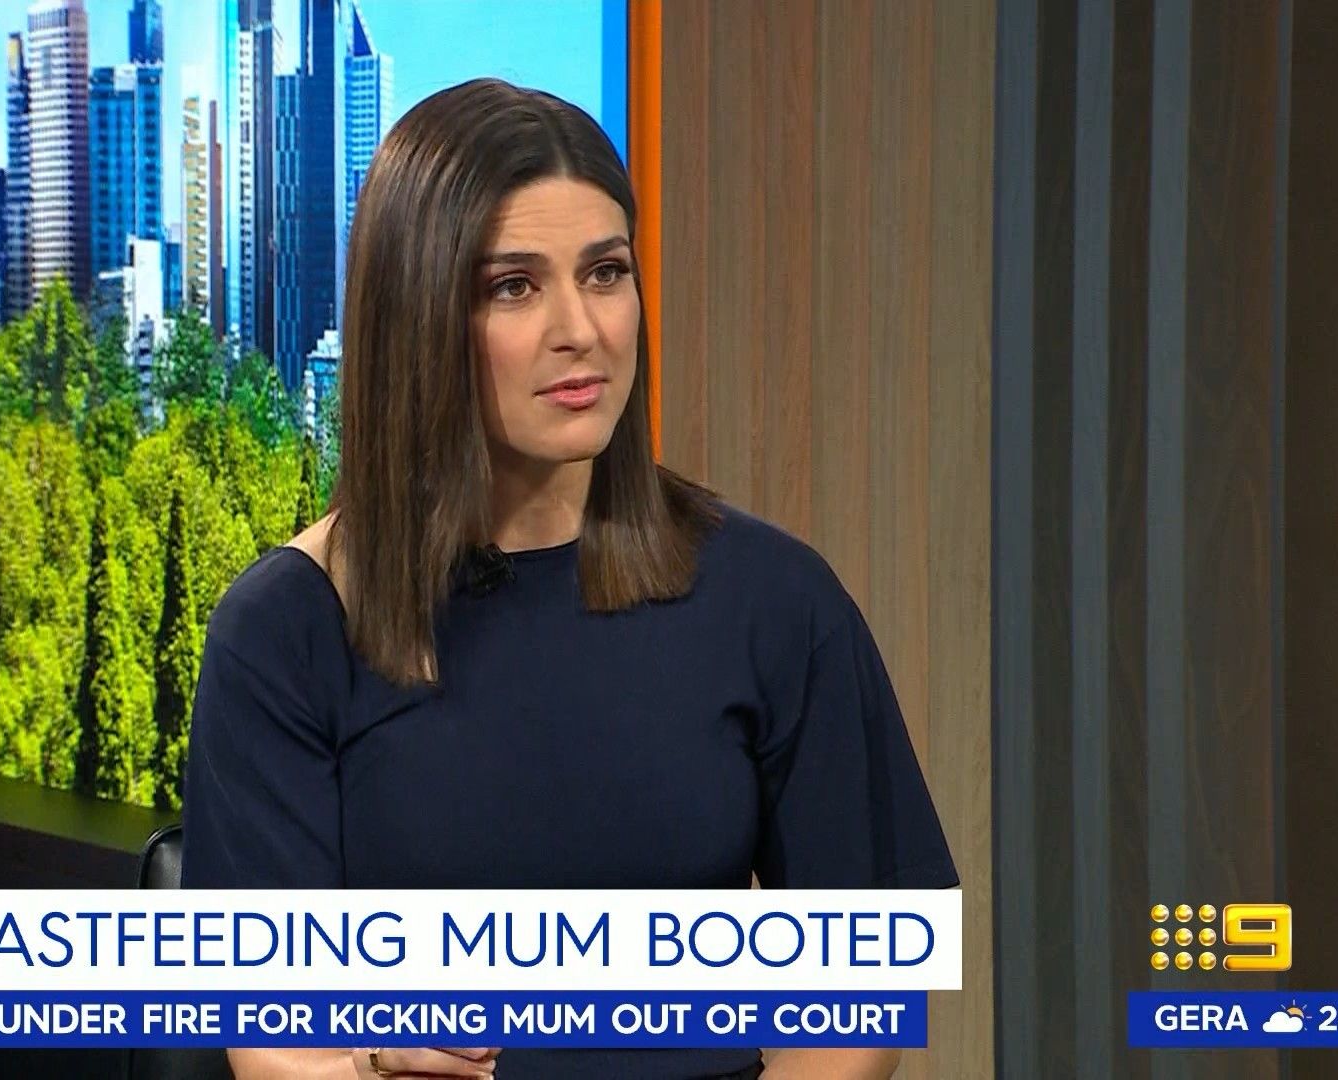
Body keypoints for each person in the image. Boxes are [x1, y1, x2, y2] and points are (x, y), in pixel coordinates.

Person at [182, 77, 958, 1080]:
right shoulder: (287, 630)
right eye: (514, 286)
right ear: (417, 318)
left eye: (605, 272)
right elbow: (281, 1045)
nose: (580, 328)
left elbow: (860, 999)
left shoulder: (775, 600)